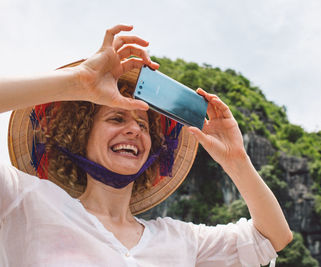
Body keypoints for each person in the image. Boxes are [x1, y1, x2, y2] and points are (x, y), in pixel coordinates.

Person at [0, 24, 292, 266]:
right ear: (80, 136)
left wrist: (236, 159)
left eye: (143, 125)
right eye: (116, 118)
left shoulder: (181, 241)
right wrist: (79, 82)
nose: (132, 130)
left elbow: (271, 238)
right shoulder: (25, 201)